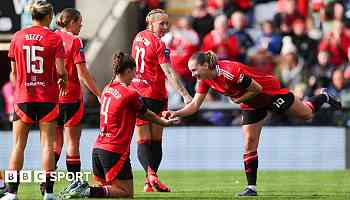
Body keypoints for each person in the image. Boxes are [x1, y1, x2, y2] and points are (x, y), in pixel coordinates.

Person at [164, 51, 342, 197]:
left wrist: (238, 98)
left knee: (306, 115)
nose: (193, 74)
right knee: (249, 141)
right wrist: (176, 112)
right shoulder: (204, 80)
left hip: (270, 92)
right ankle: (251, 187)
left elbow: (256, 88)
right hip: (251, 103)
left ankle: (324, 96)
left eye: (195, 70)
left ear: (205, 65)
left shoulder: (229, 71)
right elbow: (195, 105)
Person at [60, 51, 178, 199]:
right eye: (134, 72)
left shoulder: (106, 89)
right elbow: (145, 113)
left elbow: (133, 111)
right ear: (128, 70)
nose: (135, 77)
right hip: (115, 151)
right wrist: (163, 122)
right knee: (126, 193)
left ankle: (84, 190)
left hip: (98, 149)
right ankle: (85, 191)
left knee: (105, 192)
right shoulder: (130, 93)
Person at [2, 1, 68, 200]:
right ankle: (48, 193)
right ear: (48, 16)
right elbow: (61, 71)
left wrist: (22, 84)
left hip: (23, 98)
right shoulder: (54, 38)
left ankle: (12, 193)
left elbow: (13, 73)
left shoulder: (17, 37)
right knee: (48, 146)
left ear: (33, 16)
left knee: (17, 146)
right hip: (47, 98)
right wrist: (62, 81)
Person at [130, 8, 192, 192]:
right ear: (151, 22)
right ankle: (152, 177)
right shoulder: (160, 45)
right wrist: (185, 94)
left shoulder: (138, 37)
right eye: (161, 23)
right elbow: (169, 71)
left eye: (167, 23)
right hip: (154, 95)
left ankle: (149, 181)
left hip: (137, 93)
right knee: (153, 141)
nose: (165, 27)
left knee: (146, 140)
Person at [42, 8, 101, 194]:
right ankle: (74, 183)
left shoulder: (50, 38)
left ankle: (47, 181)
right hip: (71, 97)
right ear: (72, 22)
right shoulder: (74, 41)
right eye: (79, 21)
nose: (82, 25)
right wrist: (99, 94)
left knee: (54, 145)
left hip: (52, 99)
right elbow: (82, 72)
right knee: (72, 142)